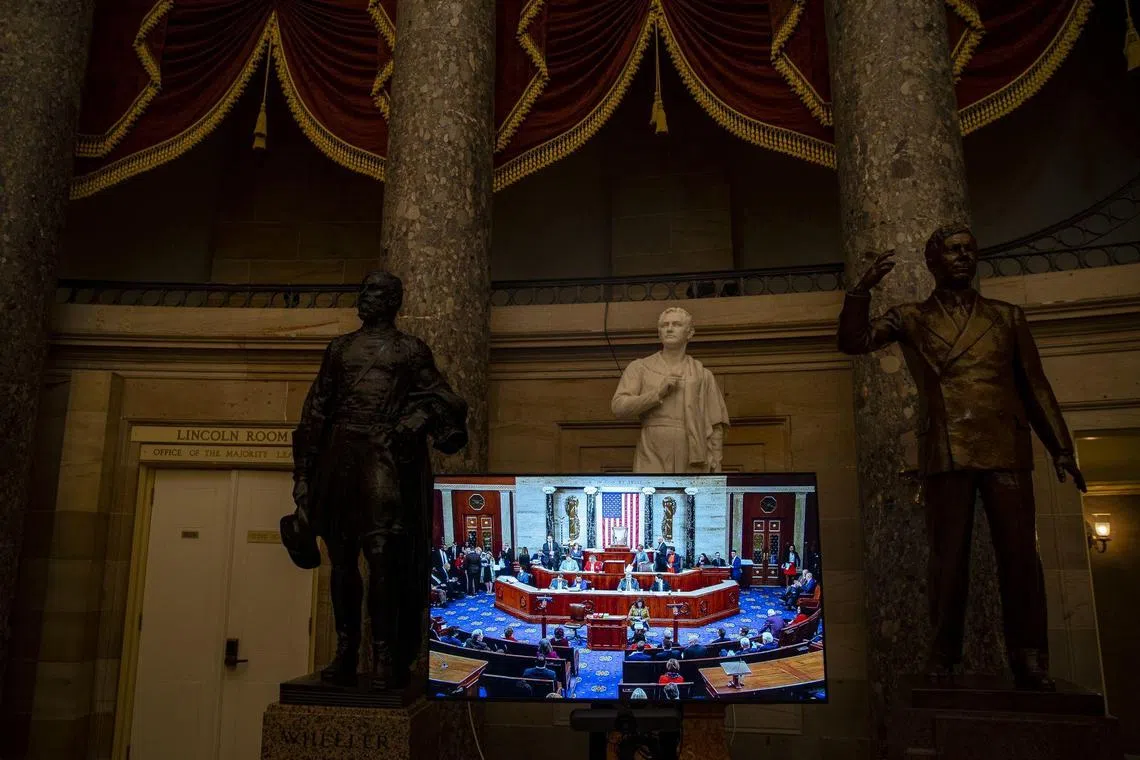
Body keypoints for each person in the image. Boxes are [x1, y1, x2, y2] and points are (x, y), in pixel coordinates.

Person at [838, 225, 1088, 690]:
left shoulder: (1006, 317)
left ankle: (1030, 657)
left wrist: (1061, 447)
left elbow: (1035, 386)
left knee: (1020, 558)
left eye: (969, 250)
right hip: (947, 448)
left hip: (1003, 447)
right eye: (951, 251)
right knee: (947, 559)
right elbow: (853, 342)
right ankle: (943, 655)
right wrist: (861, 289)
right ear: (933, 262)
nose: (962, 257)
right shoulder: (910, 317)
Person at [285, 270, 468, 688]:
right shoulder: (339, 349)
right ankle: (346, 649)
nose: (365, 298)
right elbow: (315, 412)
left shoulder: (408, 350)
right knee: (341, 561)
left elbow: (446, 400)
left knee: (383, 557)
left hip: (382, 459)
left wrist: (417, 418)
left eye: (376, 292)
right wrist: (302, 477)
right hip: (339, 457)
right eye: (364, 290)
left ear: (393, 302)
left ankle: (385, 653)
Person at [611, 307, 730, 473]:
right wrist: (657, 394)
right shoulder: (640, 367)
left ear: (689, 333)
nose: (669, 328)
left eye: (676, 324)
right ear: (659, 333)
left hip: (690, 446)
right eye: (664, 325)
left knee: (690, 496)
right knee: (651, 494)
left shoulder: (702, 374)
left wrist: (716, 461)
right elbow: (619, 407)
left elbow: (716, 423)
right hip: (652, 445)